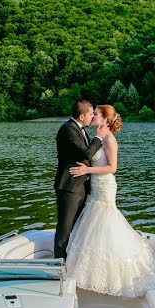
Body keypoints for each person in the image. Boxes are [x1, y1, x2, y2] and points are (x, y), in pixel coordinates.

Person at [65, 105, 155, 297]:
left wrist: (87, 170)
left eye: (96, 114)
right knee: (93, 224)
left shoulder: (109, 140)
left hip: (105, 186)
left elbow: (112, 167)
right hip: (95, 187)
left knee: (106, 221)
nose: (93, 116)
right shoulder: (98, 136)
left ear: (105, 119)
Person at [53, 100, 103, 260]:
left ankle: (71, 262)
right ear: (82, 116)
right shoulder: (68, 129)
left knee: (77, 228)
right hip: (69, 187)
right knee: (65, 229)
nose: (92, 116)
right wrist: (99, 138)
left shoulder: (80, 129)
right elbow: (86, 154)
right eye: (90, 114)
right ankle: (59, 266)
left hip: (82, 186)